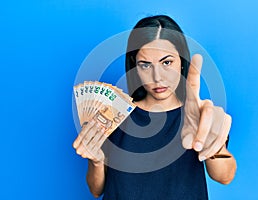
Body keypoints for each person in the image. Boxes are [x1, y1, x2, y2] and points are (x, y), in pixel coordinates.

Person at [73, 15, 237, 199]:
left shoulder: (199, 115)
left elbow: (225, 176)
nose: (157, 77)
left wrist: (210, 147)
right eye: (145, 65)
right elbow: (96, 190)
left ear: (182, 62)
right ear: (134, 65)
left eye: (167, 62)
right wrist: (96, 161)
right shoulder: (114, 113)